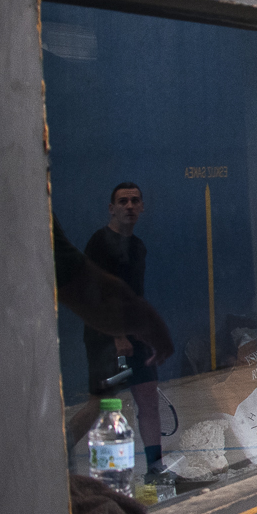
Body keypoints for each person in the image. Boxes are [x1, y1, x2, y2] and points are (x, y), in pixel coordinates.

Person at [82, 182, 165, 470]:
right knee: (101, 404)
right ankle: (63, 452)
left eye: (134, 201)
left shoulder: (138, 247)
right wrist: (117, 336)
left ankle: (156, 470)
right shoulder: (99, 243)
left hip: (134, 337)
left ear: (142, 207)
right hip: (105, 336)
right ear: (111, 208)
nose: (129, 206)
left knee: (148, 398)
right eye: (123, 201)